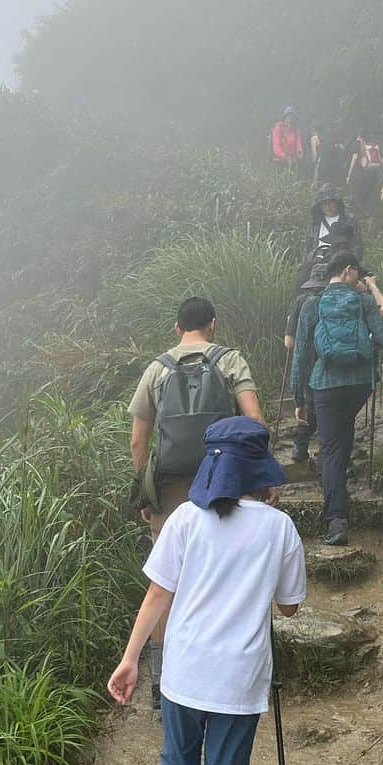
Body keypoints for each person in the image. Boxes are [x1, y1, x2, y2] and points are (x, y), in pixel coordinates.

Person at [107, 417, 306, 765]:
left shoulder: (185, 520)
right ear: (260, 471)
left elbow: (157, 595)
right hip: (239, 686)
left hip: (183, 676)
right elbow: (289, 607)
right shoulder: (280, 528)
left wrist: (129, 659)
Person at [128, 296, 263, 713]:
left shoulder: (156, 370)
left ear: (176, 328)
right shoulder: (229, 361)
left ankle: (161, 682)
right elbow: (254, 422)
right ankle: (226, 671)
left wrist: (145, 490)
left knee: (166, 581)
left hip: (170, 487)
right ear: (213, 325)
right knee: (229, 571)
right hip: (224, 482)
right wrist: (259, 476)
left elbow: (138, 441)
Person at [290, 251, 383, 545]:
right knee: (342, 433)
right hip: (360, 383)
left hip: (326, 384)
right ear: (348, 271)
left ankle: (336, 519)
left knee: (331, 448)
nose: (359, 278)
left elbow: (300, 356)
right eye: (357, 273)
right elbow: (382, 338)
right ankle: (337, 487)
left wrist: (299, 398)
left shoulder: (312, 304)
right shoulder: (362, 301)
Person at [283, 261, 330, 464]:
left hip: (309, 363)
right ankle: (325, 451)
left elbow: (289, 342)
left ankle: (300, 448)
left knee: (307, 405)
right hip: (336, 365)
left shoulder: (301, 301)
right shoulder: (339, 299)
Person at [298, 185, 363, 283]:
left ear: (337, 203)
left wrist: (350, 265)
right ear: (319, 206)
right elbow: (308, 247)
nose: (327, 206)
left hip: (340, 265)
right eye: (324, 203)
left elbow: (357, 246)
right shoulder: (315, 224)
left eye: (331, 202)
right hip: (315, 264)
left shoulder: (349, 221)